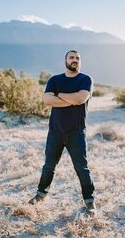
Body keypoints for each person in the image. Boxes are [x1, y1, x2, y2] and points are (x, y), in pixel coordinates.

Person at [28, 50, 96, 215]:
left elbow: (81, 99)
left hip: (76, 132)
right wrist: (70, 100)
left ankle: (89, 200)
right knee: (49, 166)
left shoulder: (85, 79)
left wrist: (59, 95)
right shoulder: (55, 80)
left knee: (82, 168)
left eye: (78, 58)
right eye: (71, 57)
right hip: (55, 132)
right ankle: (40, 194)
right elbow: (47, 100)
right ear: (65, 60)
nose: (75, 60)